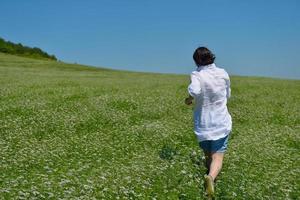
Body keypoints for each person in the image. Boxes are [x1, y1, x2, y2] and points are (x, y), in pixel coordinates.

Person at [185, 47, 232, 197]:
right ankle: (211, 178)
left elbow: (195, 90)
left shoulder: (197, 74)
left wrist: (190, 98)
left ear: (196, 60)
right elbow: (228, 94)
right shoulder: (223, 73)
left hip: (203, 124)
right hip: (221, 121)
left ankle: (209, 179)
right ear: (211, 57)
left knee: (208, 156)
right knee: (217, 157)